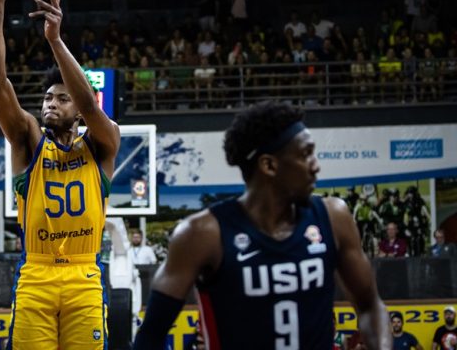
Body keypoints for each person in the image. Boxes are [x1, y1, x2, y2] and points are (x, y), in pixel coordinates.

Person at [133, 101, 390, 349]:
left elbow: (370, 306)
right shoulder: (203, 234)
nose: (316, 166)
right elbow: (151, 335)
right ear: (269, 165)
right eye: (305, 154)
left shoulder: (333, 217)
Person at [0, 0, 120, 349]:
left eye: (62, 98)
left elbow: (90, 106)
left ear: (78, 111)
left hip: (84, 276)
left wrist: (56, 41)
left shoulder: (103, 142)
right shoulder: (28, 140)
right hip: (37, 275)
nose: (51, 103)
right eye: (47, 98)